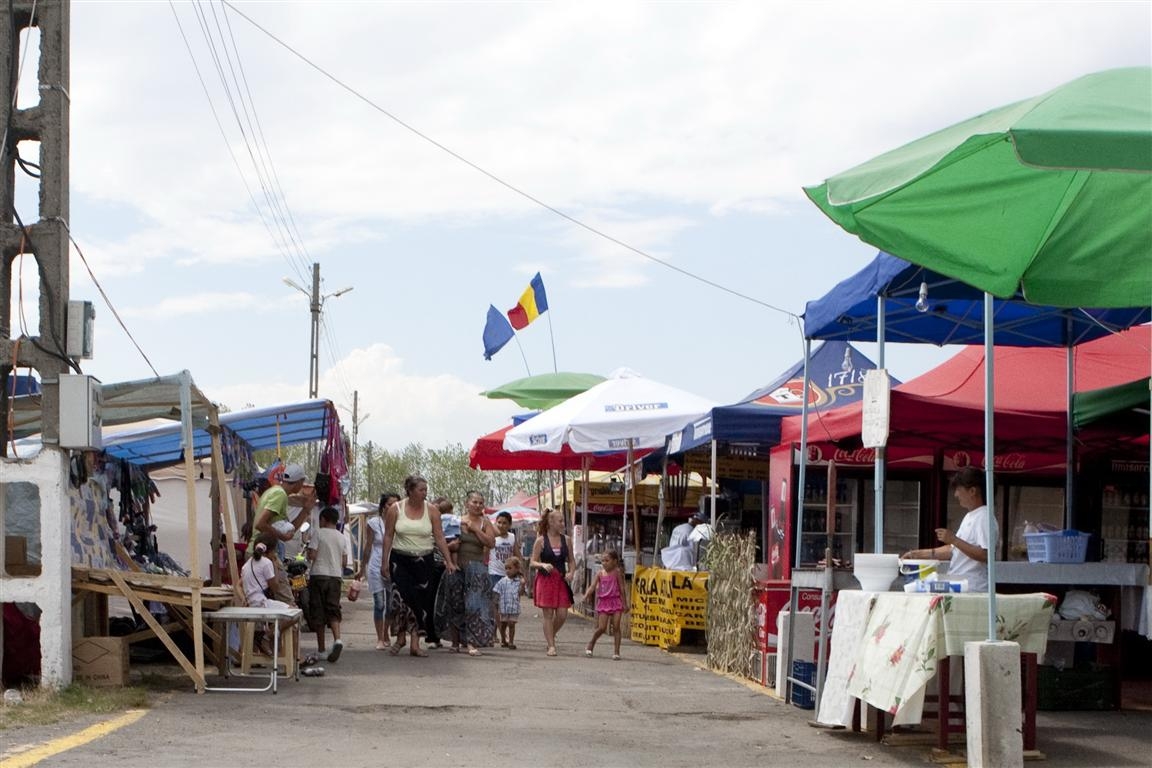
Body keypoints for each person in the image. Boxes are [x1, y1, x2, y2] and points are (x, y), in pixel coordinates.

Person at [382, 474, 457, 657]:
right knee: (401, 601)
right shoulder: (395, 509)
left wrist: (448, 560)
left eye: (426, 490)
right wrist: (384, 562)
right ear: (410, 491)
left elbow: (439, 537)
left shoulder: (432, 510)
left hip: (424, 561)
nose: (425, 493)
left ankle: (415, 643)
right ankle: (400, 637)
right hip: (400, 560)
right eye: (421, 490)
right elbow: (389, 536)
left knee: (420, 602)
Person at [902, 466, 994, 592]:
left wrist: (954, 540)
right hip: (961, 585)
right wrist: (917, 554)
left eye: (958, 489)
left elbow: (986, 555)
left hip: (973, 587)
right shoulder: (971, 515)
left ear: (972, 491)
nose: (956, 494)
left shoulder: (984, 516)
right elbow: (954, 550)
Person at [453, 490, 496, 656]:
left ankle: (472, 642)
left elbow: (491, 543)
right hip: (458, 566)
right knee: (456, 603)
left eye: (480, 503)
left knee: (474, 605)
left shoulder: (485, 522)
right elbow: (449, 542)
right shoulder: (458, 521)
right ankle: (456, 642)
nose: (478, 506)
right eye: (474, 502)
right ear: (466, 504)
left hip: (477, 567)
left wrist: (476, 530)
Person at [529, 508, 576, 657]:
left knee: (562, 614)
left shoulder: (566, 540)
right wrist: (542, 565)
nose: (563, 524)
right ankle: (551, 645)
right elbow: (532, 562)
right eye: (560, 521)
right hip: (546, 580)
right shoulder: (541, 540)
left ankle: (551, 634)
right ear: (551, 522)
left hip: (561, 580)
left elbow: (572, 561)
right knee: (548, 614)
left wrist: (571, 572)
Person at [307, 506, 347, 662]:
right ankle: (337, 639)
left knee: (318, 613)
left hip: (319, 575)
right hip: (335, 577)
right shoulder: (341, 536)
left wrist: (309, 553)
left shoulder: (318, 533)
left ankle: (322, 649)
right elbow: (344, 561)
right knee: (333, 609)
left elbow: (313, 555)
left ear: (323, 519)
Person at [359, 491, 399, 650]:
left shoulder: (400, 523)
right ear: (383, 506)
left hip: (393, 565)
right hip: (376, 565)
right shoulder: (373, 523)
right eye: (390, 504)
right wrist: (362, 568)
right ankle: (380, 638)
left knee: (391, 605)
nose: (392, 507)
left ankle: (386, 631)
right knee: (380, 604)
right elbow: (368, 546)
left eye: (396, 505)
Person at [251, 463, 316, 556]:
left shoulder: (276, 492)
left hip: (264, 552)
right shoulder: (279, 494)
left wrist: (305, 510)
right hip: (261, 553)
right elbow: (260, 524)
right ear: (298, 482)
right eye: (302, 482)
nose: (302, 486)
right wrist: (282, 537)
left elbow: (289, 530)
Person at [583, 549, 629, 660]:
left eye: (607, 560)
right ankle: (591, 643)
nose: (604, 563)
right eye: (602, 560)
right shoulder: (600, 574)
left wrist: (625, 604)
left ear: (614, 561)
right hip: (604, 602)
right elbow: (593, 586)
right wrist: (586, 596)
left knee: (617, 626)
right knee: (602, 628)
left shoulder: (617, 573)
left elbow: (622, 589)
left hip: (616, 601)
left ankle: (616, 652)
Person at [488, 511, 516, 624]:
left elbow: (516, 553)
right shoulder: (492, 537)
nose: (501, 525)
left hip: (508, 576)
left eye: (505, 523)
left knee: (505, 604)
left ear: (509, 525)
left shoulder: (512, 537)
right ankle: (496, 632)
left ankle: (502, 631)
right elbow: (485, 553)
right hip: (494, 573)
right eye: (499, 522)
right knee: (495, 604)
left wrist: (520, 572)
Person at [492, 555, 525, 649]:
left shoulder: (518, 581)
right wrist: (495, 603)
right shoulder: (502, 581)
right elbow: (496, 591)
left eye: (510, 568)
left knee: (511, 624)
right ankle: (503, 639)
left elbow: (521, 593)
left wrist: (522, 585)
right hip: (504, 607)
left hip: (514, 607)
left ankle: (511, 641)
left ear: (517, 569)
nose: (507, 571)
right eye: (506, 568)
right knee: (503, 624)